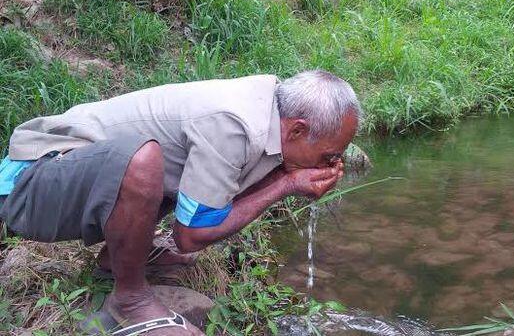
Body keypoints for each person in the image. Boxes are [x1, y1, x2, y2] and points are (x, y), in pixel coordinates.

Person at [0, 70, 360, 335]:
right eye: (329, 155)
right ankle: (129, 300)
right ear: (296, 130)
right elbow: (190, 235)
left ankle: (117, 258)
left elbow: (213, 197)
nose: (331, 163)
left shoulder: (269, 111)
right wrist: (285, 184)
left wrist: (287, 176)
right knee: (143, 161)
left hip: (66, 176)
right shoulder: (236, 124)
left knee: (168, 164)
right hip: (28, 185)